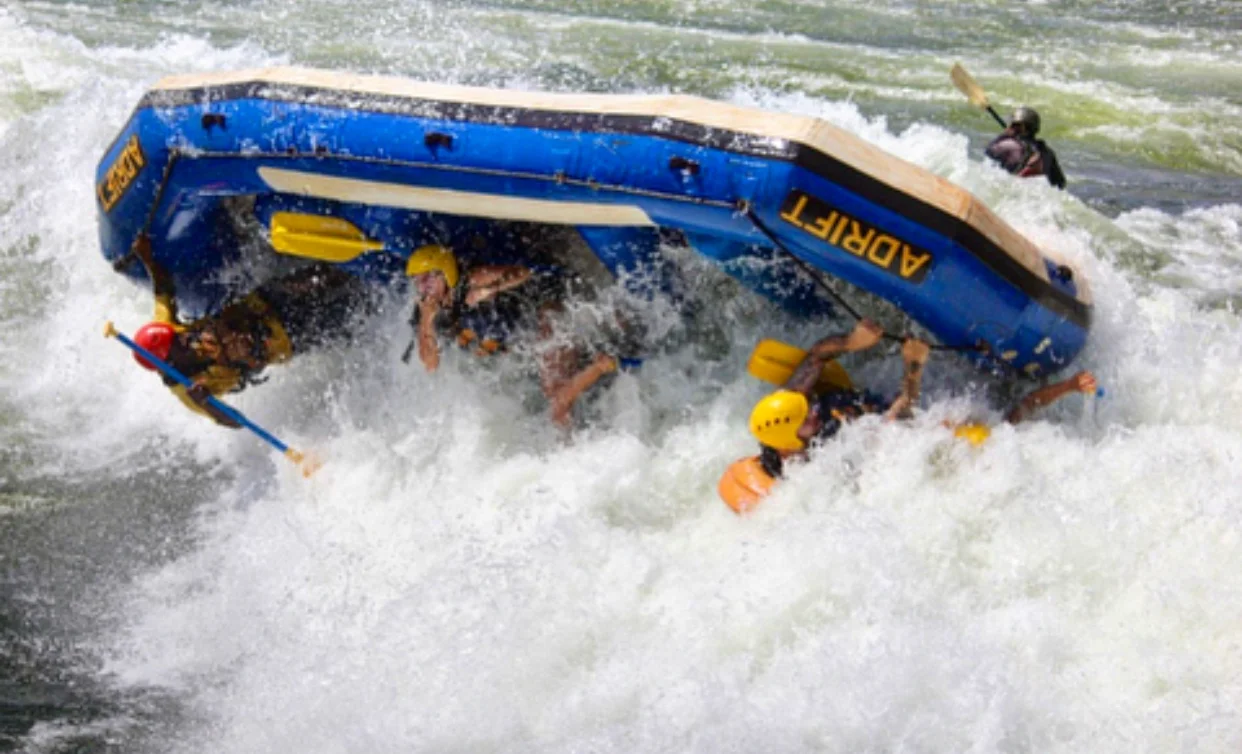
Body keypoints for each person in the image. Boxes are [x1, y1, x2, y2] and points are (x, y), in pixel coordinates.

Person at [718, 320, 1099, 512]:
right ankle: (1066, 387)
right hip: (899, 423)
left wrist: (854, 341)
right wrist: (913, 367)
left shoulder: (789, 408)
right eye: (809, 415)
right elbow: (901, 417)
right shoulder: (832, 457)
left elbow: (817, 356)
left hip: (867, 404)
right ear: (790, 446)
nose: (814, 408)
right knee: (998, 430)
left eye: (810, 405)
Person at [128, 234, 374, 427]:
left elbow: (163, 290)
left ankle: (366, 254)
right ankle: (382, 295)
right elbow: (236, 423)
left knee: (325, 277)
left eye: (177, 336)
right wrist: (207, 403)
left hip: (265, 303)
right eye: (178, 344)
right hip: (286, 339)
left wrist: (148, 260)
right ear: (167, 360)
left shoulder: (165, 331)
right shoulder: (187, 389)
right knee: (354, 311)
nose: (183, 337)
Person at [402, 244, 623, 427]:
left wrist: (490, 289)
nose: (423, 287)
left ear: (446, 274)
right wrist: (426, 322)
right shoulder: (426, 312)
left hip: (544, 310)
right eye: (417, 281)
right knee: (552, 403)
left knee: (557, 401)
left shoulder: (473, 280)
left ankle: (601, 364)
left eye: (428, 279)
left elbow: (522, 273)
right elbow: (430, 365)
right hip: (522, 338)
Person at [984, 106, 1067, 189]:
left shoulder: (1008, 145)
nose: (1010, 126)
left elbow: (988, 153)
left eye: (1013, 125)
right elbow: (1060, 184)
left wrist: (1003, 136)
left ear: (1022, 127)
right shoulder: (1047, 152)